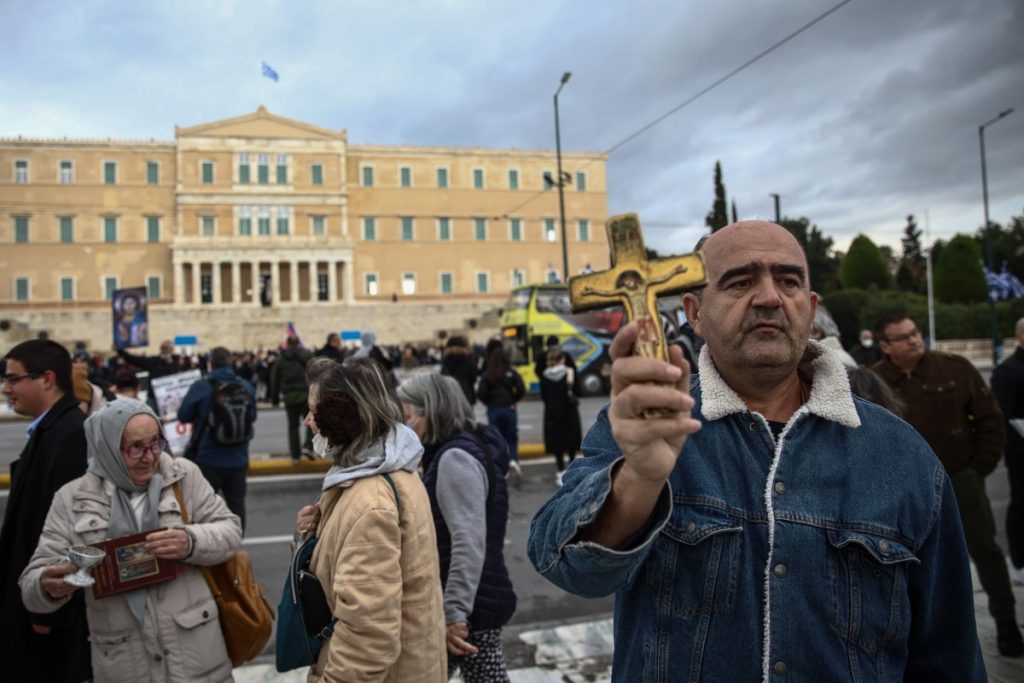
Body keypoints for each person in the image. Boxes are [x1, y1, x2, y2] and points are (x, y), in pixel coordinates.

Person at [528, 221, 986, 680]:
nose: (769, 297)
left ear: (810, 309)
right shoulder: (643, 425)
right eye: (740, 282)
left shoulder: (902, 455)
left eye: (788, 281)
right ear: (694, 313)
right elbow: (563, 563)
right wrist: (639, 480)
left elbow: (949, 654)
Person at [20, 398, 242, 682]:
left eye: (155, 443)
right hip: (125, 661)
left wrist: (190, 541)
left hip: (197, 656)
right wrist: (48, 585)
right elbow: (32, 585)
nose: (149, 457)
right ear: (108, 448)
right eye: (135, 447)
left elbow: (230, 530)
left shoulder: (182, 476)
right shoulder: (72, 499)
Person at [873, 312, 1023, 656]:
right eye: (903, 337)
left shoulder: (954, 368)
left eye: (915, 332)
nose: (914, 340)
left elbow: (990, 419)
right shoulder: (875, 380)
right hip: (902, 487)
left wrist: (977, 468)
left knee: (985, 550)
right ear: (885, 346)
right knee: (909, 560)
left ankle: (1006, 622)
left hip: (959, 478)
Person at [293, 358, 446, 682]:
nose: (307, 421)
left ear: (341, 418)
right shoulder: (391, 470)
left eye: (314, 411)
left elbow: (368, 636)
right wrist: (325, 526)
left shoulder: (371, 501)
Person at [397, 374, 517, 682]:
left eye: (408, 416)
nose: (406, 425)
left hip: (471, 607)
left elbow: (468, 539)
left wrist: (455, 612)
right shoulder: (461, 449)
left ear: (431, 411)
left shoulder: (455, 459)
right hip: (477, 599)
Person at [0, 340, 92, 682]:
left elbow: (71, 531)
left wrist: (48, 611)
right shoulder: (52, 429)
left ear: (48, 379)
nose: (6, 388)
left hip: (46, 611)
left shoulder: (70, 435)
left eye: (14, 379)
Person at [178, 346, 257, 530]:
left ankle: (209, 544)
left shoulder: (202, 386)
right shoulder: (246, 386)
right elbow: (252, 417)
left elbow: (183, 416)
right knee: (237, 507)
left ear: (210, 364)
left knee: (203, 508)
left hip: (208, 459)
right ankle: (235, 542)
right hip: (239, 459)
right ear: (231, 363)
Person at [992, 317, 1024, 587]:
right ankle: (1019, 562)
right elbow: (1002, 414)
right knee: (1021, 504)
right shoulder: (1007, 371)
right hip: (1020, 451)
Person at [476, 345, 526, 481]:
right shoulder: (511, 372)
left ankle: (501, 467)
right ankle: (513, 460)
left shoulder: (488, 374)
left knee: (497, 439)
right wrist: (513, 400)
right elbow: (521, 389)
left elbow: (481, 393)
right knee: (512, 437)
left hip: (494, 409)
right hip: (509, 408)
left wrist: (490, 403)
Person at [539, 346, 582, 486]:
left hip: (552, 412)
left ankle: (560, 471)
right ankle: (572, 468)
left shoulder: (544, 375)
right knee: (571, 440)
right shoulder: (569, 372)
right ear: (562, 359)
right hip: (569, 411)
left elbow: (543, 396)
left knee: (556, 442)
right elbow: (578, 390)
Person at [271, 335, 314, 461]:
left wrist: (274, 399)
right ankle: (308, 446)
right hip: (306, 394)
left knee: (293, 426)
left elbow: (275, 380)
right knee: (311, 422)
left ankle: (295, 455)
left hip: (290, 396)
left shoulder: (281, 359)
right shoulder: (308, 356)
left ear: (288, 344)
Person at [441, 335, 478, 406]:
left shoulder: (445, 360)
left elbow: (443, 377)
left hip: (451, 393)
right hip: (466, 393)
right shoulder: (468, 359)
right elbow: (473, 377)